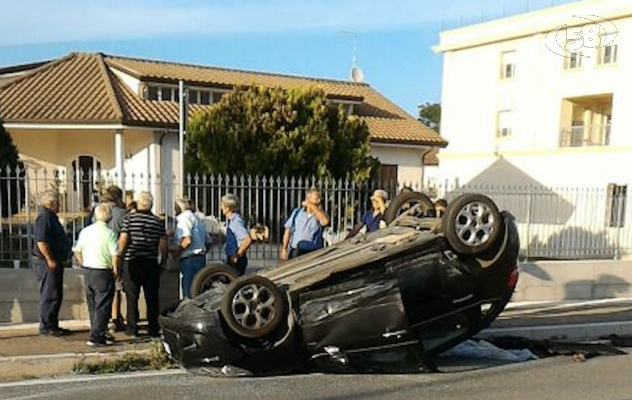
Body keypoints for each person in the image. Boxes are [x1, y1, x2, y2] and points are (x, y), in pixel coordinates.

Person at [118, 192, 168, 337]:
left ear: (139, 203)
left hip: (132, 261)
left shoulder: (129, 219)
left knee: (131, 296)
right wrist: (163, 263)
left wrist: (118, 260)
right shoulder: (157, 222)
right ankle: (153, 328)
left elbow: (123, 240)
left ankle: (132, 328)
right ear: (151, 205)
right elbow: (164, 245)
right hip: (150, 262)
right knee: (152, 297)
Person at [73, 204, 120, 347]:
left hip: (88, 270)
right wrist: (116, 270)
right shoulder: (110, 233)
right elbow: (115, 255)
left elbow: (77, 250)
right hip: (103, 271)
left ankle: (99, 330)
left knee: (92, 303)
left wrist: (83, 263)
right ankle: (96, 336)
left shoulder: (85, 231)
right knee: (103, 304)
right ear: (109, 217)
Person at [33, 190, 71, 337]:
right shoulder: (44, 218)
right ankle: (47, 326)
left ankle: (52, 324)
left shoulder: (50, 217)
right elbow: (41, 241)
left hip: (52, 261)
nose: (60, 205)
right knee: (50, 294)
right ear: (52, 203)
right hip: (46, 263)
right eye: (58, 202)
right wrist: (50, 259)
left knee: (55, 293)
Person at [102, 186, 127, 332]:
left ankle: (106, 319)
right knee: (117, 288)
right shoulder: (122, 214)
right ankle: (116, 317)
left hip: (100, 255)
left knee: (103, 290)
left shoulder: (97, 212)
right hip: (116, 254)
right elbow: (124, 236)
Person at [281, 188, 330, 260]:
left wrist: (313, 206)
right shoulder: (297, 212)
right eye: (316, 199)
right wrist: (284, 248)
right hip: (296, 251)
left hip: (313, 252)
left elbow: (325, 221)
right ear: (308, 199)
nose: (319, 201)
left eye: (320, 199)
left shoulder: (319, 214)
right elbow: (288, 230)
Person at [174, 198, 208, 299]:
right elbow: (208, 241)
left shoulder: (183, 219)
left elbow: (187, 240)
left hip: (189, 258)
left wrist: (177, 251)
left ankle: (188, 313)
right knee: (198, 290)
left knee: (188, 291)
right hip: (201, 258)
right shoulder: (197, 219)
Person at [220, 194, 252, 275]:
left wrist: (237, 255)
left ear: (228, 208)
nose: (221, 208)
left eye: (222, 205)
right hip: (231, 258)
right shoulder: (230, 221)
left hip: (237, 261)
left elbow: (247, 239)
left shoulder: (236, 221)